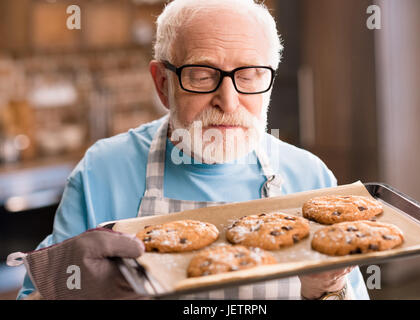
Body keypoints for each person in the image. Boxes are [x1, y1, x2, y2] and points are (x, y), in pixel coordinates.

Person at [14, 0, 369, 300]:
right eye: (202, 75)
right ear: (162, 84)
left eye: (249, 75)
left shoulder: (312, 179)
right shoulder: (101, 172)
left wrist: (325, 292)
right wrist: (70, 289)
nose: (228, 102)